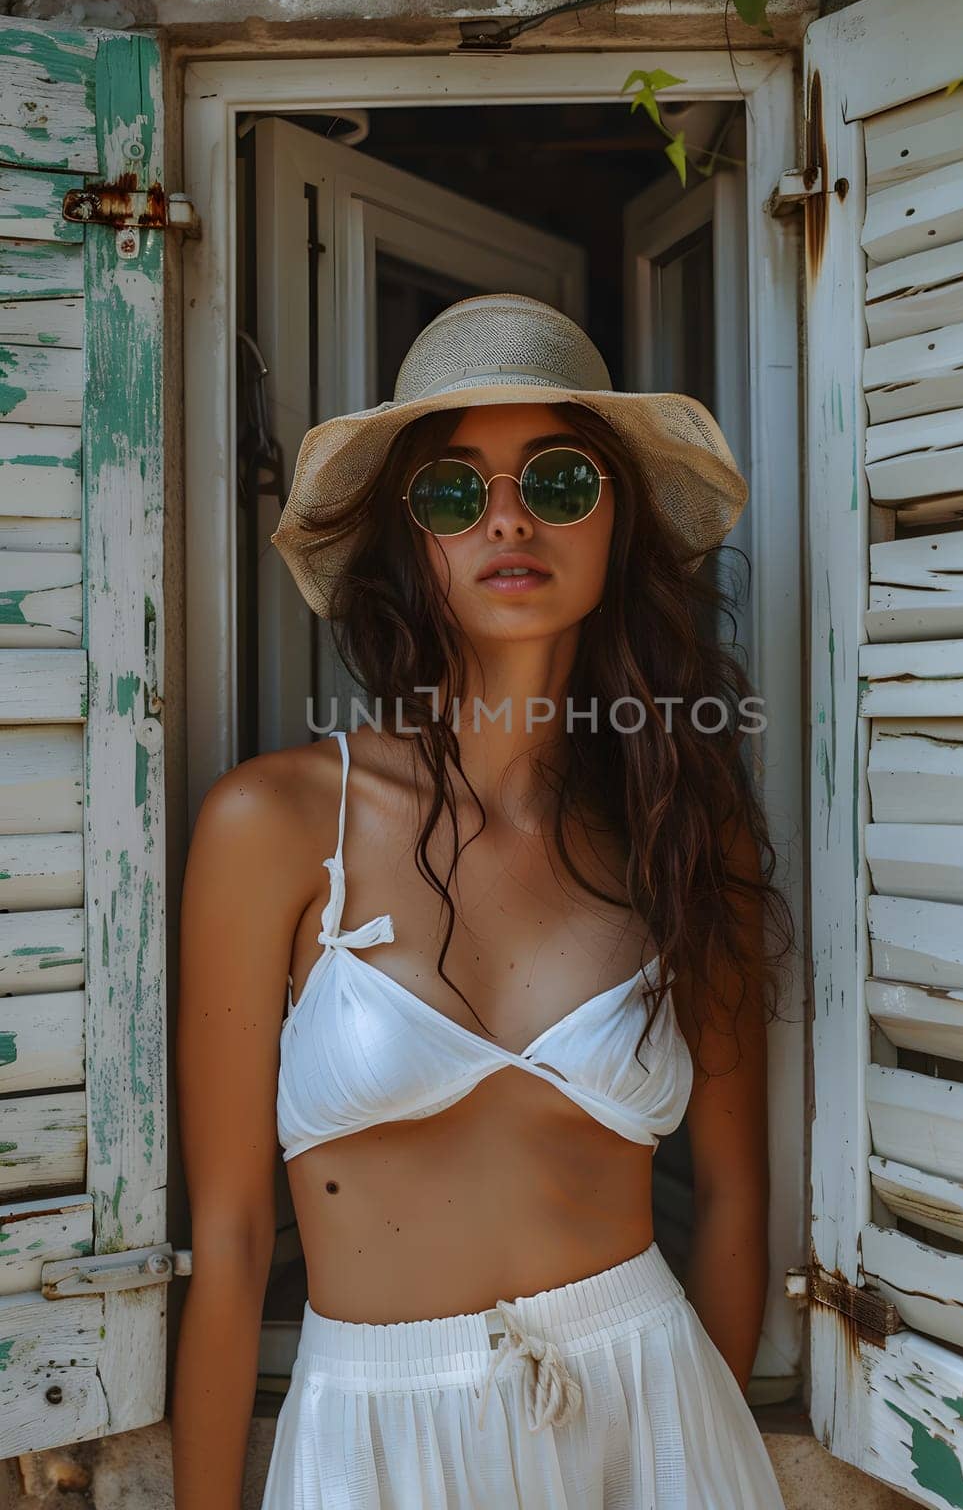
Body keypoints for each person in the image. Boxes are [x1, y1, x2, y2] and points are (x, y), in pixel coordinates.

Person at [172, 293, 793, 1509]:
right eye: (453, 493)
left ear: (615, 518)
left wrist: (689, 1450)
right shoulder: (277, 824)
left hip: (651, 1415)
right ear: (414, 546)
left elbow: (730, 1197)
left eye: (557, 481)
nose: (506, 515)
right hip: (376, 1448)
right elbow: (234, 1242)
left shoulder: (678, 823)